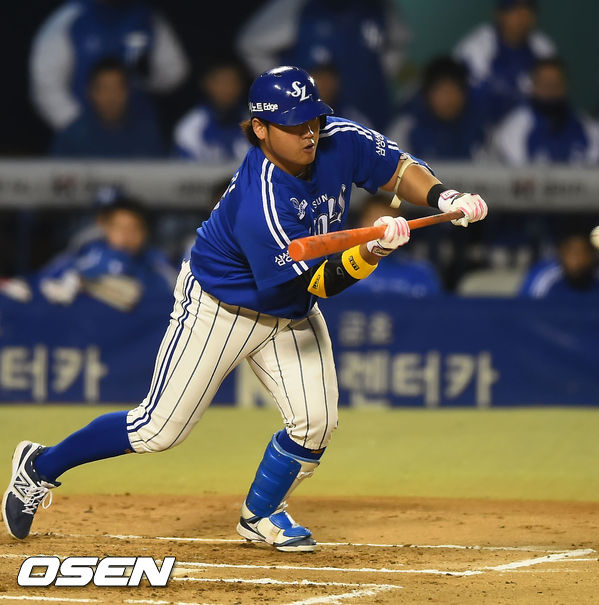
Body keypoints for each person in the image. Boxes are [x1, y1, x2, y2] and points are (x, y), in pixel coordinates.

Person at [2, 66, 487, 551]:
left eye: (313, 119)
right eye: (294, 125)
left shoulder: (337, 138)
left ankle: (261, 514)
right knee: (157, 430)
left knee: (316, 424)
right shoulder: (263, 198)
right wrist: (372, 252)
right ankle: (39, 466)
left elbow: (397, 168)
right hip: (221, 307)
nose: (309, 133)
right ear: (261, 128)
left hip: (290, 309)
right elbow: (320, 282)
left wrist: (444, 196)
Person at [236, 0, 409, 130]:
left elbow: (400, 43)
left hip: (367, 107)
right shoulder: (297, 6)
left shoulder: (379, 7)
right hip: (305, 111)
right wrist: (282, 87)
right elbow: (251, 45)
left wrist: (377, 76)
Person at [30, 0, 188, 131]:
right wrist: (78, 128)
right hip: (84, 131)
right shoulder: (69, 20)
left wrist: (148, 78)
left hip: (138, 129)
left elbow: (175, 72)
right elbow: (46, 86)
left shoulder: (147, 17)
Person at [38, 196, 175, 310]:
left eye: (134, 228)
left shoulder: (155, 262)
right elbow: (45, 279)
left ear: (145, 232)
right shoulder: (88, 253)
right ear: (107, 229)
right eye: (119, 228)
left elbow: (173, 292)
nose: (126, 235)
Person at [454, 0, 556, 123]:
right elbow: (456, 95)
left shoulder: (543, 49)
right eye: (515, 10)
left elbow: (551, 100)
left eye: (528, 10)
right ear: (499, 14)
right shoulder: (475, 46)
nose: (522, 17)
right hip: (478, 126)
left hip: (523, 129)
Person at [492, 58, 598, 165]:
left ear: (566, 85)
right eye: (544, 84)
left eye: (556, 83)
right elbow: (516, 172)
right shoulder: (514, 128)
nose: (551, 89)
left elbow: (597, 166)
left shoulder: (586, 126)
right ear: (533, 86)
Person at [51, 58, 165, 158]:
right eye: (104, 89)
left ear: (128, 92)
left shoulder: (147, 133)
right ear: (91, 92)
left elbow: (161, 171)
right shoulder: (72, 137)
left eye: (117, 89)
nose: (111, 97)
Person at [339, 196, 443, 298]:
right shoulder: (341, 268)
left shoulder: (421, 273)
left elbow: (435, 307)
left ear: (402, 229)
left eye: (389, 224)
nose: (380, 229)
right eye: (373, 219)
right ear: (360, 223)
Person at [388, 56, 488, 161]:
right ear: (427, 94)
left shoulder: (481, 130)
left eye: (454, 91)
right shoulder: (406, 128)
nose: (449, 99)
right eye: (442, 91)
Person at [172, 58, 251, 163]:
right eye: (221, 82)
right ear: (207, 84)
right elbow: (184, 170)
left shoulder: (255, 124)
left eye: (233, 82)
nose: (227, 89)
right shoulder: (190, 128)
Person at [519, 229, 599, 298]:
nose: (578, 260)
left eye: (584, 252)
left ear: (592, 255)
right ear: (561, 253)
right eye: (573, 253)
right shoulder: (544, 278)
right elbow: (524, 313)